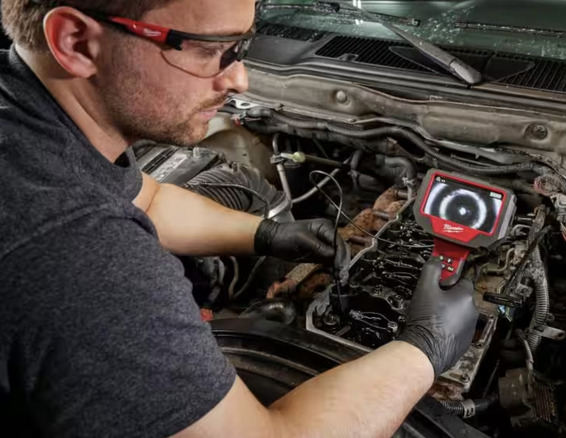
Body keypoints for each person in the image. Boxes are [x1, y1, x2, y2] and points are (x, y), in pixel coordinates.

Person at [0, 0, 479, 437]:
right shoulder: (75, 251)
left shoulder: (27, 113)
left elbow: (150, 201)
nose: (240, 80)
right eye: (211, 50)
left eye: (242, 47)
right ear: (75, 41)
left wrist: (268, 234)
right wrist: (423, 350)